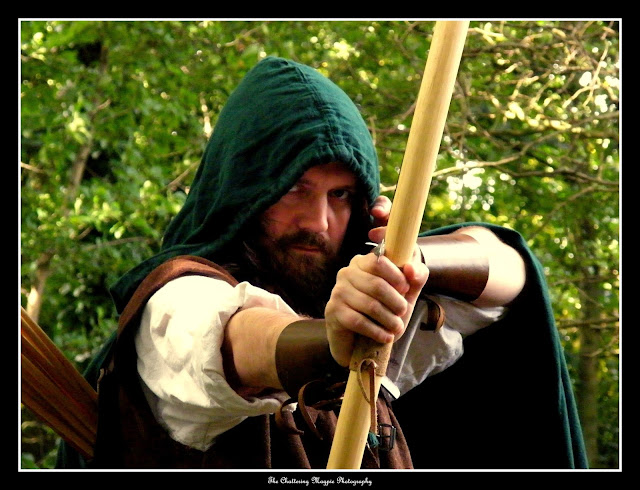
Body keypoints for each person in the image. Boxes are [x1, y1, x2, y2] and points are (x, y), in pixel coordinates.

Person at [56, 56, 587, 470]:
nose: (318, 221)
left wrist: (415, 259)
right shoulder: (174, 299)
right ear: (245, 192)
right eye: (295, 189)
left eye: (340, 195)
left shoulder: (362, 298)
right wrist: (332, 342)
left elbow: (509, 275)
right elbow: (230, 340)